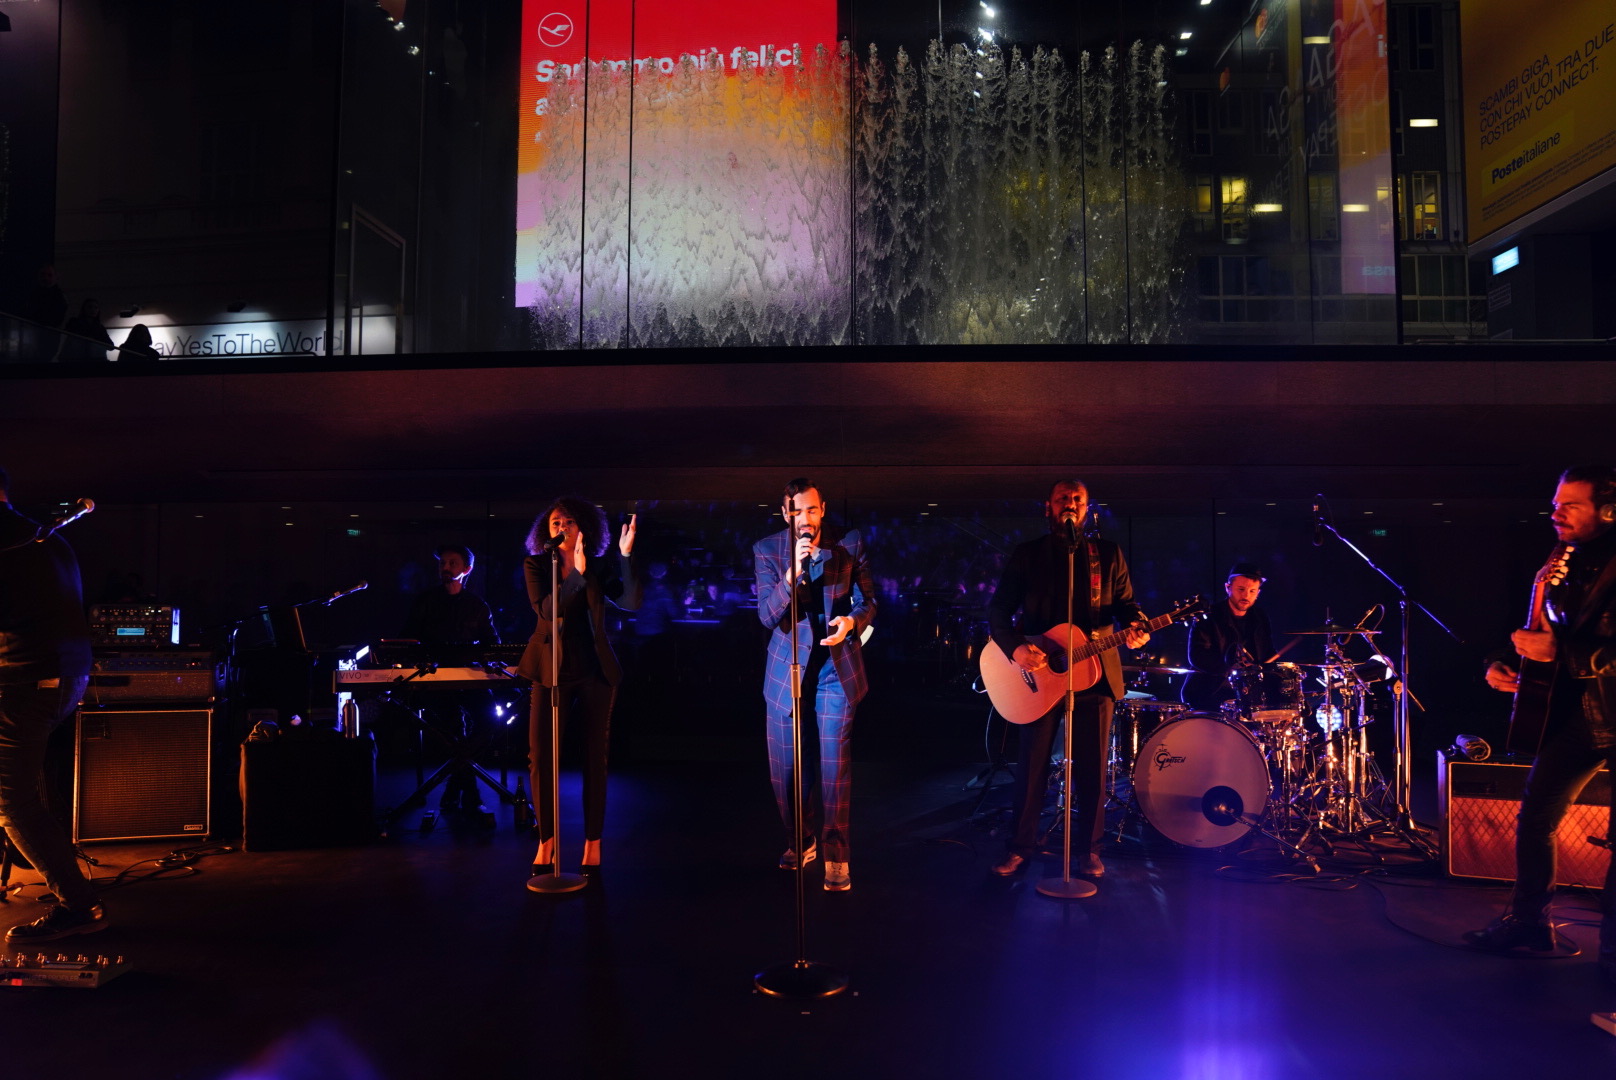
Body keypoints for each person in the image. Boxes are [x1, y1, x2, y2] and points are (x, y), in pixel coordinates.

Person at [1467, 465, 1616, 983]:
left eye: (1570, 505)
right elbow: (1537, 624)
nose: (1556, 513)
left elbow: (1575, 645)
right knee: (1535, 816)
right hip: (1578, 715)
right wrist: (1501, 661)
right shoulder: (1565, 558)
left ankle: (1612, 964)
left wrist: (1564, 654)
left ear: (1609, 511)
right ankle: (1529, 923)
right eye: (1556, 502)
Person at [987, 478, 1149, 882]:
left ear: (1088, 509)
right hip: (1039, 674)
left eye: (1077, 499)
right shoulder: (1028, 554)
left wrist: (1136, 625)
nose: (1070, 503)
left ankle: (1089, 852)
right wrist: (1016, 649)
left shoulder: (1107, 554)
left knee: (1093, 769)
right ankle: (1020, 847)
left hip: (1095, 672)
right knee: (1032, 767)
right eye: (1063, 498)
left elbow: (1127, 605)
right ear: (1049, 507)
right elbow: (998, 611)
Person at [0, 466, 106, 943]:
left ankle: (79, 905)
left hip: (26, 683)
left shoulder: (13, 540)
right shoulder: (42, 536)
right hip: (63, 678)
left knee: (12, 801)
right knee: (20, 791)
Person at [754, 478, 876, 892]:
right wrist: (791, 576)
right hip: (787, 671)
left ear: (822, 509)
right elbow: (767, 616)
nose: (805, 518)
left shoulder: (849, 542)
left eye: (811, 509)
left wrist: (852, 622)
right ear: (785, 513)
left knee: (834, 766)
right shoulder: (767, 550)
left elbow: (868, 600)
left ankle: (837, 855)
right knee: (786, 769)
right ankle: (799, 840)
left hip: (834, 670)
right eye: (797, 511)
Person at [519, 500, 638, 880]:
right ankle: (547, 840)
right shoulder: (537, 565)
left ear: (584, 527)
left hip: (594, 670)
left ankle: (592, 842)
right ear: (547, 530)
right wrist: (576, 575)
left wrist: (624, 557)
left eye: (569, 521)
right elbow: (546, 610)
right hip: (549, 669)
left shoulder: (599, 566)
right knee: (541, 757)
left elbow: (630, 602)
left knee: (594, 758)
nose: (562, 527)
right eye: (556, 522)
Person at [1182, 562, 1274, 712]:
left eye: (1252, 591)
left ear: (1258, 593)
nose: (1246, 595)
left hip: (1248, 696)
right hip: (1208, 693)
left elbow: (1267, 653)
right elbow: (1197, 656)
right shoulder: (1208, 616)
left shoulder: (1260, 617)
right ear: (1228, 587)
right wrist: (1232, 670)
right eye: (1241, 589)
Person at [403, 544, 498, 646]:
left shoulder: (477, 606)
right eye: (442, 563)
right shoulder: (425, 601)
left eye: (452, 563)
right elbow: (408, 637)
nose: (445, 567)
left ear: (467, 569)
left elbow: (492, 644)